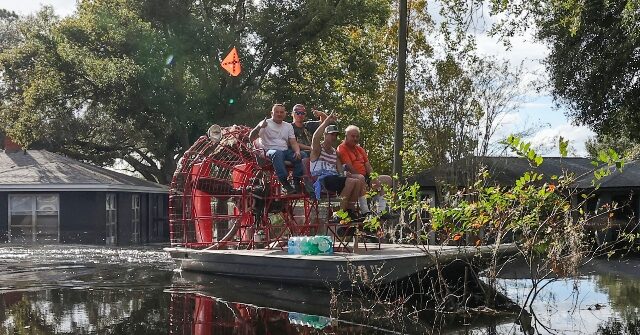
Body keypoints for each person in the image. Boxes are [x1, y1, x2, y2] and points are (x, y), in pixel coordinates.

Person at [310, 114, 370, 220]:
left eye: (335, 135)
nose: (334, 137)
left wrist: (345, 174)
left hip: (333, 177)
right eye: (331, 134)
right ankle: (340, 213)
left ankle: (349, 211)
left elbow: (340, 171)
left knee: (356, 181)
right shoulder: (318, 149)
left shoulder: (335, 152)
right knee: (351, 181)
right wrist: (327, 121)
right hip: (321, 178)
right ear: (325, 135)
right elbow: (315, 137)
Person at [249, 103, 307, 194]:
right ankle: (284, 182)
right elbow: (251, 138)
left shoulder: (288, 126)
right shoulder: (265, 123)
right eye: (277, 112)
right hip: (269, 151)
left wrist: (297, 151)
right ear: (272, 113)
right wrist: (259, 127)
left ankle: (297, 181)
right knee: (277, 153)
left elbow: (293, 142)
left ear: (285, 114)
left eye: (281, 112)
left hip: (285, 151)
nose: (279, 114)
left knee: (303, 154)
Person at [336, 125, 393, 214]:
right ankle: (365, 210)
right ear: (346, 136)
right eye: (353, 136)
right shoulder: (342, 148)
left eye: (357, 136)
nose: (355, 138)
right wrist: (363, 180)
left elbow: (368, 165)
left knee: (387, 179)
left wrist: (374, 178)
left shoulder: (360, 149)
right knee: (361, 178)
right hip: (351, 177)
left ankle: (381, 211)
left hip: (364, 177)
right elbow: (350, 166)